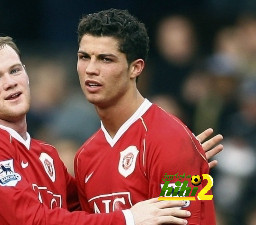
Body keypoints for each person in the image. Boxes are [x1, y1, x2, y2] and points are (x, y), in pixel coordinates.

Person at [0, 34, 222, 224]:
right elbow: (31, 220)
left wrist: (180, 161)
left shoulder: (48, 156)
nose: (10, 83)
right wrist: (129, 219)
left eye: (15, 71)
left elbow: (97, 202)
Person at [74, 9, 218, 225]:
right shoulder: (85, 156)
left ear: (136, 68)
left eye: (106, 59)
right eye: (84, 57)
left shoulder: (171, 139)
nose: (91, 69)